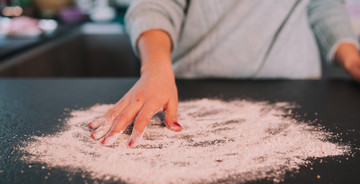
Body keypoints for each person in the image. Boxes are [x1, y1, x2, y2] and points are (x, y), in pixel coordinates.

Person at [89, 0, 360, 147]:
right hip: (191, 88)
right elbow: (155, 5)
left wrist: (352, 59)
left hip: (296, 90)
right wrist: (156, 66)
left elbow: (324, 4)